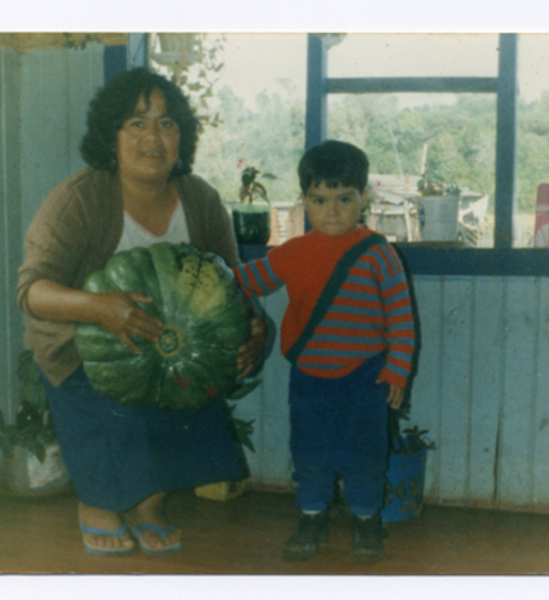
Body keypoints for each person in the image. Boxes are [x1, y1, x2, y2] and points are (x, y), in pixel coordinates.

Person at [16, 68, 267, 557]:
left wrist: (256, 326)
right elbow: (31, 290)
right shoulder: (79, 200)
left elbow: (231, 283)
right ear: (110, 136)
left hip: (171, 351)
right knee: (116, 412)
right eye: (136, 123)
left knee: (192, 399)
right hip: (81, 347)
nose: (153, 136)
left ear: (182, 138)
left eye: (167, 124)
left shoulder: (200, 200)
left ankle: (148, 506)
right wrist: (98, 308)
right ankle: (99, 505)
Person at [233, 140, 415, 562]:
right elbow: (242, 282)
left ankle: (367, 523)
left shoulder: (380, 255)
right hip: (309, 378)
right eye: (320, 199)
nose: (332, 210)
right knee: (309, 453)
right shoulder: (291, 252)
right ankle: (311, 517)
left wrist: (396, 372)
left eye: (344, 199)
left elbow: (402, 321)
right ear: (303, 202)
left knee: (364, 454)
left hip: (366, 377)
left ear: (364, 199)